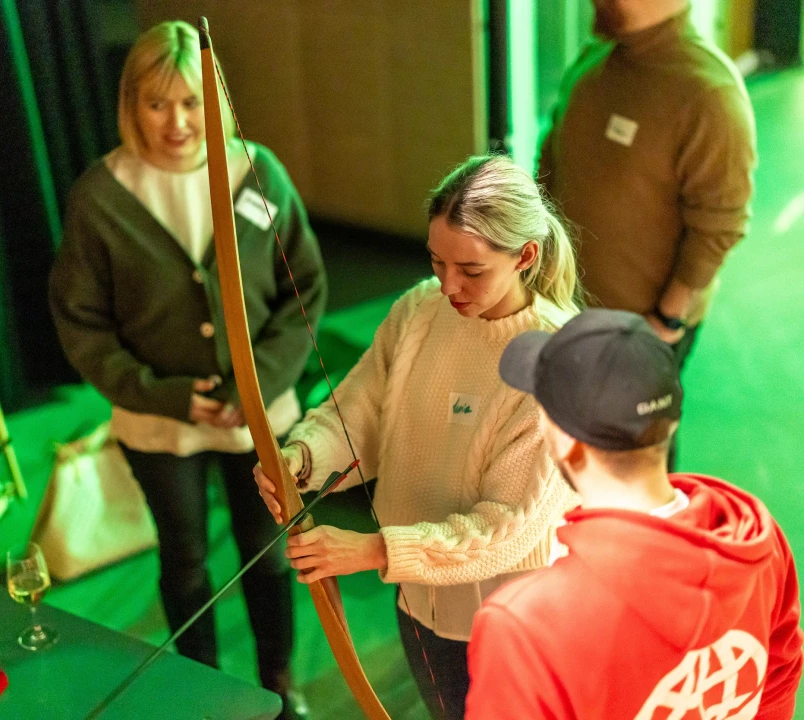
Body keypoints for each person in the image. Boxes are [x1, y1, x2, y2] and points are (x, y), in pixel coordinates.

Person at [49, 20, 325, 719]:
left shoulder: (256, 172)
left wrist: (258, 384)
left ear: (215, 102)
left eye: (192, 102)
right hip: (158, 423)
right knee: (185, 559)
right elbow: (81, 324)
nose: (177, 122)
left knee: (268, 553)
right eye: (157, 103)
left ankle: (278, 683)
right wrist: (161, 394)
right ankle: (201, 690)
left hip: (258, 413)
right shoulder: (100, 196)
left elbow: (304, 288)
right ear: (131, 105)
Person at [254, 154, 580, 719]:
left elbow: (507, 526)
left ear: (525, 256)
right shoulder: (419, 310)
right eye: (437, 261)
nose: (448, 284)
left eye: (471, 270)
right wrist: (302, 459)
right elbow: (360, 412)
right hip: (417, 593)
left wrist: (374, 549)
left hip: (510, 620)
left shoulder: (556, 364)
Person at [465, 309, 803, 719]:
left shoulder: (522, 627)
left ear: (568, 442)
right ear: (671, 423)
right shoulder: (760, 544)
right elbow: (778, 680)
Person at [539, 0, 757, 468]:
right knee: (577, 445)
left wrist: (665, 321)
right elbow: (552, 155)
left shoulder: (708, 94)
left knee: (634, 463)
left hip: (643, 326)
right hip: (568, 307)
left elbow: (720, 224)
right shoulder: (595, 57)